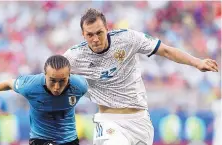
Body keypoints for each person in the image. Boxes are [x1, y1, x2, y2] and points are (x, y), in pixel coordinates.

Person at [63, 8, 219, 145]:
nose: (95, 39)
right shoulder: (74, 56)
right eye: (90, 35)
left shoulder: (128, 39)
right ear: (83, 34)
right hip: (109, 122)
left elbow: (165, 50)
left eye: (99, 33)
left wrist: (197, 62)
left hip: (140, 120)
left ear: (107, 28)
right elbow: (50, 76)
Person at [0, 55, 88, 145]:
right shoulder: (31, 85)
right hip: (41, 139)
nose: (57, 87)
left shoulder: (80, 85)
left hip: (69, 140)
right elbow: (9, 83)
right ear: (45, 75)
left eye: (62, 81)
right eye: (52, 80)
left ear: (69, 76)